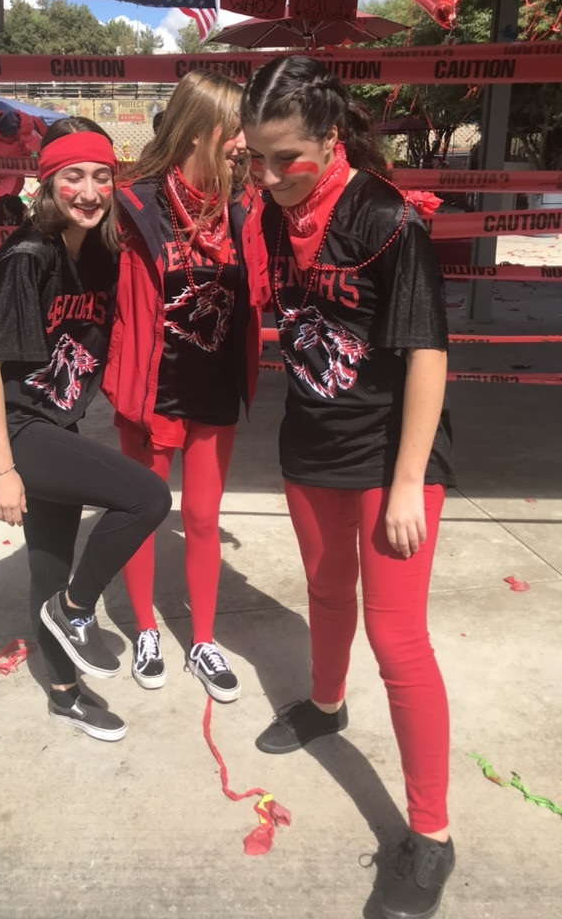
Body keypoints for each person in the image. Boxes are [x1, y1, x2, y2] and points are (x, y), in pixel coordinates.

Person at [240, 56, 455, 919]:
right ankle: (325, 705)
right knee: (327, 589)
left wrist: (408, 483)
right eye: (253, 158)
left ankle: (431, 835)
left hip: (391, 456)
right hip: (312, 441)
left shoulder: (385, 218)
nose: (267, 176)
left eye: (284, 157)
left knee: (397, 637)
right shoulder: (268, 212)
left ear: (329, 142)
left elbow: (429, 354)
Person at [0, 117, 172, 742]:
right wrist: (0, 471)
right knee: (148, 497)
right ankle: (75, 611)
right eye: (72, 176)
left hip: (53, 418)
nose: (88, 190)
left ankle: (63, 693)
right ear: (45, 184)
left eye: (101, 176)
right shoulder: (27, 258)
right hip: (13, 427)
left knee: (50, 561)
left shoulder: (100, 253)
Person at [103, 69, 268, 702]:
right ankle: (146, 628)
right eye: (236, 132)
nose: (242, 146)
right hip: (149, 395)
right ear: (201, 129)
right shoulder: (133, 204)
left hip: (214, 394)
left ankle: (202, 639)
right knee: (144, 514)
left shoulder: (244, 208)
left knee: (203, 517)